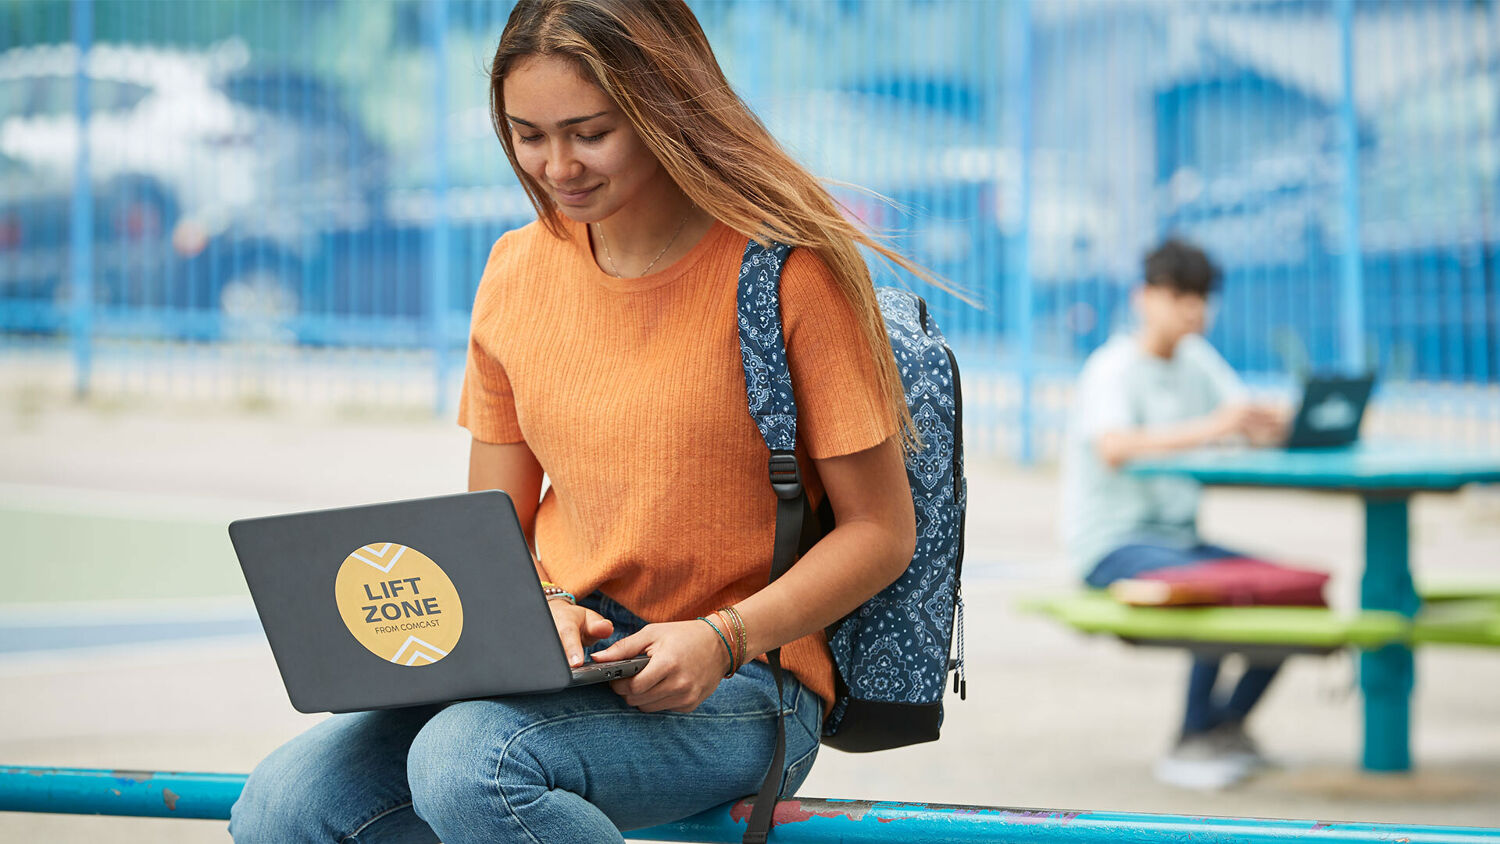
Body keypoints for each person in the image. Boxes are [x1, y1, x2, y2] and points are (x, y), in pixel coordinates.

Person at [229, 1, 924, 841]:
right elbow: (495, 530)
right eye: (528, 135)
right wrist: (541, 607)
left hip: (746, 681)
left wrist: (722, 636)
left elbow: (882, 533)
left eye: (590, 132)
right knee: (284, 805)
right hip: (562, 665)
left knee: (470, 765)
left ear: (665, 108)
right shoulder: (515, 270)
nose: (558, 165)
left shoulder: (791, 275)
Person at [1060, 237, 1290, 791]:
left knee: (1289, 587)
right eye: (1182, 295)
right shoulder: (1113, 367)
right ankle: (1189, 740)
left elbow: (1239, 418)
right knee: (1213, 587)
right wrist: (1218, 427)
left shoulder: (1197, 361)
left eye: (1203, 297)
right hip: (1112, 545)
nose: (1195, 309)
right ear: (1146, 298)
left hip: (1179, 540)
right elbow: (1114, 447)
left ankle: (1224, 728)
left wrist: (1277, 424)